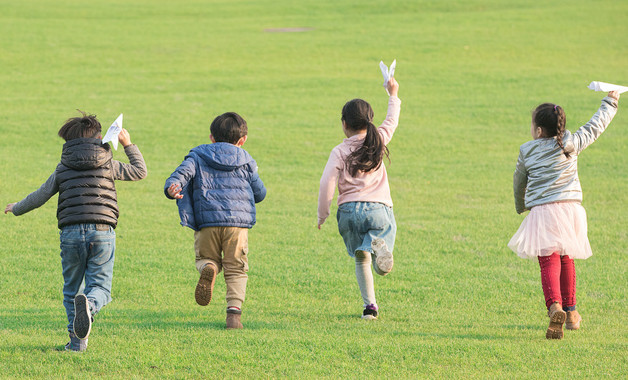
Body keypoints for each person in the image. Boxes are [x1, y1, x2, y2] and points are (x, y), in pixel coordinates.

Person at [4, 111, 147, 351]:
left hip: (70, 233)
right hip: (102, 231)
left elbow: (40, 196)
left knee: (72, 290)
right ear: (100, 137)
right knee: (100, 287)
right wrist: (128, 144)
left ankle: (76, 344)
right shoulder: (109, 164)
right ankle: (89, 307)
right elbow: (140, 171)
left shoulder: (63, 168)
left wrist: (17, 208)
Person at [508, 91, 620, 339]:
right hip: (571, 210)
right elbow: (594, 127)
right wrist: (610, 102)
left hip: (544, 211)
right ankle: (571, 314)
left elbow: (519, 182)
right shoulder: (571, 143)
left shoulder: (527, 151)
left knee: (548, 259)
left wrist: (521, 206)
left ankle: (554, 306)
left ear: (538, 131)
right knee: (567, 257)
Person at [164, 112, 266, 329]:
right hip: (237, 226)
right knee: (236, 268)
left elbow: (180, 176)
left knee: (205, 258)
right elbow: (260, 193)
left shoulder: (198, 156)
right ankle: (233, 316)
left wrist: (172, 188)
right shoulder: (246, 161)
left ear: (211, 137)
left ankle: (209, 267)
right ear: (243, 140)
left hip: (206, 221)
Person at [317, 78, 401, 320]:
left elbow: (327, 183)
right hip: (378, 209)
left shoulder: (339, 151)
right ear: (370, 121)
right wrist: (392, 93)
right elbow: (392, 121)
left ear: (344, 125)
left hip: (349, 213)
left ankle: (370, 309)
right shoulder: (379, 141)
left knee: (360, 258)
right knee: (375, 249)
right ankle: (380, 249)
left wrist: (322, 214)